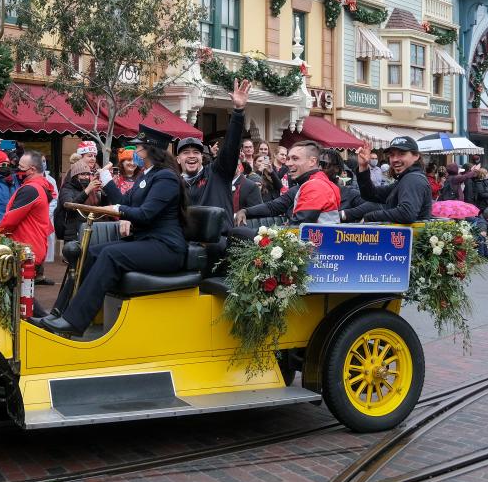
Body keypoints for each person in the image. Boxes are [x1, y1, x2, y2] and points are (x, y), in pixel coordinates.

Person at [39, 125, 188, 337]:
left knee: (110, 255)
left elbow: (145, 214)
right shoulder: (146, 176)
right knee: (90, 251)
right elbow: (124, 201)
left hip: (166, 247)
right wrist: (108, 182)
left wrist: (119, 209)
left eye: (138, 147)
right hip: (148, 241)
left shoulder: (166, 178)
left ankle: (75, 321)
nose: (135, 152)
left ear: (150, 149)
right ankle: (58, 312)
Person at [176, 79, 250, 233]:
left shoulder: (217, 173)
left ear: (202, 157)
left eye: (196, 152)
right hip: (186, 247)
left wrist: (237, 112)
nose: (191, 156)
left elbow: (230, 147)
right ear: (178, 159)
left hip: (218, 244)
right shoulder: (173, 183)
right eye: (185, 152)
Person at [235, 140, 340, 226]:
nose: (288, 163)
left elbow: (299, 226)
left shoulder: (315, 186)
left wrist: (286, 226)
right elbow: (274, 206)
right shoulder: (307, 184)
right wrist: (245, 211)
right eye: (288, 159)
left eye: (295, 158)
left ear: (312, 162)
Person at [340, 136, 432, 224]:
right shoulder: (405, 178)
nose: (395, 159)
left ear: (416, 156)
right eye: (392, 155)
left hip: (410, 238)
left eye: (401, 154)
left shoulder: (413, 179)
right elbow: (370, 194)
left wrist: (370, 217)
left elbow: (406, 213)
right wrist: (363, 167)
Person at [0, 150, 55, 262]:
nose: (17, 170)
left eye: (21, 167)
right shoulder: (40, 187)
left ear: (32, 170)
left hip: (25, 251)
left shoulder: (31, 189)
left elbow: (10, 220)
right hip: (32, 248)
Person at [54, 161, 107, 242]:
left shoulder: (91, 188)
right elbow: (70, 206)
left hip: (90, 229)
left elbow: (101, 207)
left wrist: (105, 192)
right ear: (75, 176)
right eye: (82, 174)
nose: (86, 177)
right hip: (74, 232)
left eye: (87, 174)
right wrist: (88, 190)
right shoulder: (67, 189)